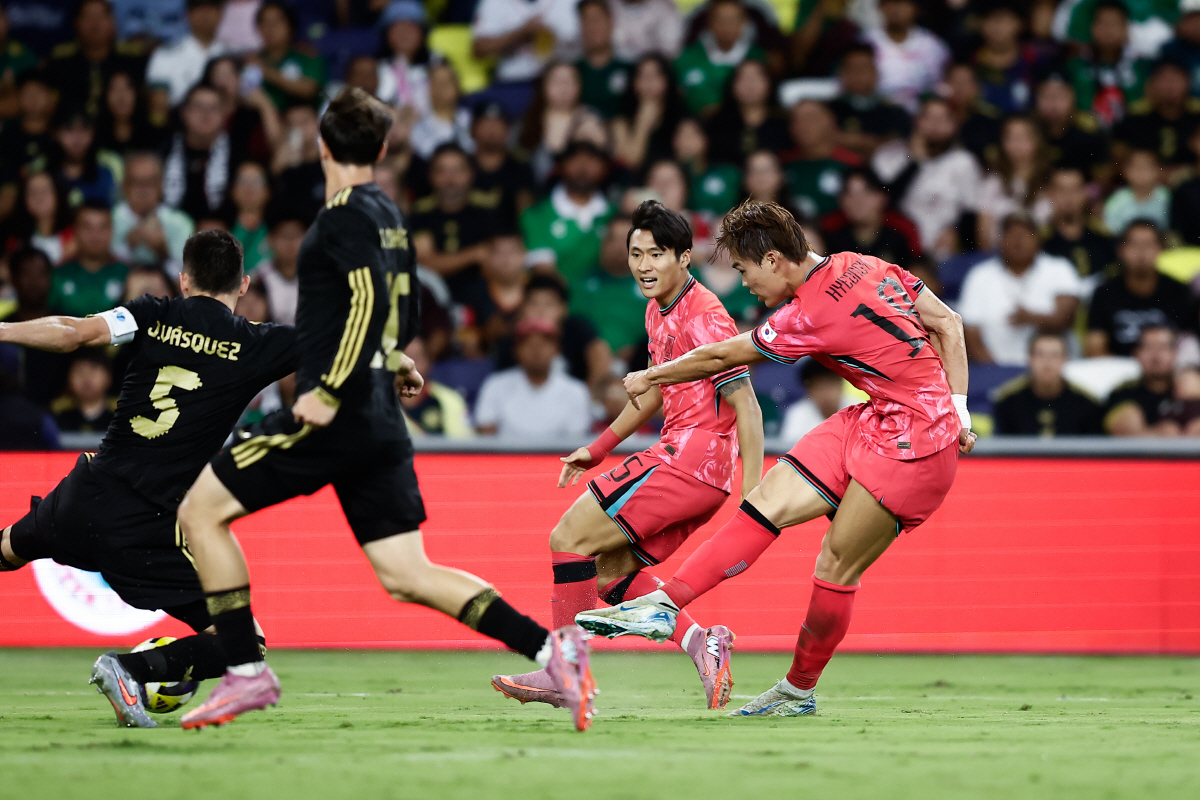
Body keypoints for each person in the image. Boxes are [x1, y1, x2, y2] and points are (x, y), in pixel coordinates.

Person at [174, 89, 596, 732]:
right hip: (377, 416)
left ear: (322, 147)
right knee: (406, 573)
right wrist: (393, 358)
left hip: (336, 411)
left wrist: (326, 391)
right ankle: (554, 653)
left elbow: (369, 300)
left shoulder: (340, 216)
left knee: (200, 512)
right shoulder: (389, 214)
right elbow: (406, 305)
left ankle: (245, 671)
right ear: (383, 147)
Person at [574, 199, 975, 718]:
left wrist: (653, 375)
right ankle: (664, 605)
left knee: (835, 565)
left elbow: (723, 355)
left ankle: (798, 690)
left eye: (745, 270)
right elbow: (948, 323)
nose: (745, 284)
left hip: (917, 445)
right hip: (877, 417)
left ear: (772, 259)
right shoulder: (863, 263)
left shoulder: (808, 312)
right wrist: (960, 410)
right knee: (765, 501)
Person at [0, 229, 298, 728]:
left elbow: (72, 333)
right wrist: (401, 367)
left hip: (84, 495)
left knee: (6, 549)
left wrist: (3, 329)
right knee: (244, 641)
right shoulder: (258, 343)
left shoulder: (152, 314)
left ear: (184, 280)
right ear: (244, 285)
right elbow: (347, 352)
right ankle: (130, 670)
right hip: (145, 525)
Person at [493, 199, 763, 711]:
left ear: (684, 256)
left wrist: (754, 490)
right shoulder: (659, 308)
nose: (643, 265)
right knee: (608, 574)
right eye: (636, 254)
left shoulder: (705, 316)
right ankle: (702, 642)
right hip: (698, 472)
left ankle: (564, 671)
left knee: (567, 538)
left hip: (687, 462)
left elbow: (746, 403)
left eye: (655, 254)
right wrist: (597, 450)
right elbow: (658, 391)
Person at [958, 214, 1081, 367]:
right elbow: (970, 333)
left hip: (1052, 370)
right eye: (1012, 234)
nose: (1018, 241)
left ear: (1038, 239)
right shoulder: (980, 275)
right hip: (996, 369)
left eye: (1025, 235)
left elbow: (1065, 319)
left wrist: (1031, 318)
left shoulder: (1059, 268)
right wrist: (994, 371)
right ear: (1001, 241)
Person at [871, 97, 982, 259]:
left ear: (954, 125)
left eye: (943, 119)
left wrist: (957, 232)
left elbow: (970, 212)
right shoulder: (891, 155)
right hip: (898, 248)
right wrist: (915, 163)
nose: (935, 125)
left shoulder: (964, 162)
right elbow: (884, 203)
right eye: (928, 118)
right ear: (916, 120)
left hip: (944, 251)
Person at [1086, 221, 1197, 357]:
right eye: (1134, 245)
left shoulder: (1179, 291)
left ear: (1161, 249)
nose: (1141, 252)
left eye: (1148, 245)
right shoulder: (1104, 293)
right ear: (1120, 250)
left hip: (1169, 366)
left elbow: (1189, 341)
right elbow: (1095, 345)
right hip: (1120, 366)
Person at [475, 317, 593, 438]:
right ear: (516, 350)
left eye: (543, 345)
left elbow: (576, 440)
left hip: (559, 452)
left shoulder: (576, 391)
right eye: (529, 345)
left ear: (556, 349)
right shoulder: (495, 385)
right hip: (506, 451)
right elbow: (485, 433)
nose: (536, 351)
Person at [410, 143, 497, 306]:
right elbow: (426, 263)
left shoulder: (487, 213)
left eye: (457, 170)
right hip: (430, 302)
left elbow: (496, 262)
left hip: (481, 301)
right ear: (430, 176)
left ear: (471, 173)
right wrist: (474, 254)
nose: (450, 179)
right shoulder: (419, 214)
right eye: (442, 171)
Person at [520, 140, 613, 288]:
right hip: (558, 297)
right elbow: (543, 270)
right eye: (575, 160)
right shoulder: (537, 214)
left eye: (591, 161)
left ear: (604, 168)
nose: (583, 168)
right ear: (560, 166)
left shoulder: (614, 215)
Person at [0, 247, 73, 406]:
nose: (34, 281)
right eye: (27, 273)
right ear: (13, 279)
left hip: (62, 413)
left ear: (50, 278)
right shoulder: (3, 331)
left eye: (41, 273)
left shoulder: (69, 327)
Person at [993, 333, 1103, 436]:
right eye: (1040, 355)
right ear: (1030, 358)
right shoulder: (1008, 401)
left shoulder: (1085, 403)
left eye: (1054, 355)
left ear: (1065, 359)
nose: (1047, 363)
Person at [674, 0, 767, 116]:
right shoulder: (687, 58)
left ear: (744, 23)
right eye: (721, 20)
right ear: (709, 23)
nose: (726, 26)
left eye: (732, 20)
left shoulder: (757, 57)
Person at [1065, 0, 1149, 128]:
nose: (1108, 30)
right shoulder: (1076, 67)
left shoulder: (1142, 66)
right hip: (1087, 134)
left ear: (1126, 28)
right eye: (1102, 23)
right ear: (1092, 27)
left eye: (1114, 24)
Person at [111, 152, 195, 276]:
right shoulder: (109, 219)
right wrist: (128, 245)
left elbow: (186, 276)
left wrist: (163, 250)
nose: (143, 189)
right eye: (136, 182)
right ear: (124, 186)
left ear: (161, 185)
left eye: (149, 182)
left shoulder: (181, 223)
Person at [976, 115, 1053, 247]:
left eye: (1023, 137)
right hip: (1000, 253)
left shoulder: (1050, 181)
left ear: (1037, 141)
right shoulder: (993, 182)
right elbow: (983, 235)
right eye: (1010, 138)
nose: (1017, 144)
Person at [1112, 57, 1200, 171]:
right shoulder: (1135, 117)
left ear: (1188, 82)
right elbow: (1118, 160)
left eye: (1175, 79)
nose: (1170, 86)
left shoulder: (1197, 114)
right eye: (1164, 79)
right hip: (1144, 177)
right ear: (1151, 83)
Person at [864, 0, 949, 115]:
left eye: (902, 2)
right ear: (880, 7)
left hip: (920, 115)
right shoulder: (866, 42)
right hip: (875, 112)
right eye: (890, 2)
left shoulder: (932, 46)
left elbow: (940, 86)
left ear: (916, 8)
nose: (896, 8)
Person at [828, 42, 911, 160]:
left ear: (876, 73)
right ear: (841, 73)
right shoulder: (828, 112)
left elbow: (905, 151)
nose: (858, 74)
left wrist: (864, 143)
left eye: (864, 68)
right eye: (852, 68)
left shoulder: (896, 113)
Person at [822, 169, 916, 271]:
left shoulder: (900, 237)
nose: (858, 201)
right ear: (841, 201)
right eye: (850, 194)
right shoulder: (831, 240)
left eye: (866, 193)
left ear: (882, 197)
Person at [50, 202, 129, 319]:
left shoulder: (127, 275)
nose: (95, 235)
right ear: (75, 230)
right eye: (87, 227)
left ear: (112, 231)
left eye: (102, 228)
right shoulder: (58, 275)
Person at [1041, 166, 1119, 282]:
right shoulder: (1040, 239)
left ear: (1085, 193)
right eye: (1061, 190)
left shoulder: (1104, 236)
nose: (1068, 197)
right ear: (1050, 194)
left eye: (1074, 190)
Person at [611, 54, 685, 174]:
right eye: (642, 76)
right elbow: (630, 163)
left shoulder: (681, 118)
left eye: (656, 75)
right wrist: (642, 123)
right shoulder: (621, 122)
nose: (649, 82)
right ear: (634, 83)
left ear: (667, 81)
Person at [144, 0, 226, 109]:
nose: (205, 14)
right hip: (176, 118)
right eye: (199, 8)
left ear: (221, 13)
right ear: (187, 14)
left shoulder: (229, 55)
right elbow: (158, 105)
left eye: (211, 8)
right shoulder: (165, 55)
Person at [248, 1, 326, 111]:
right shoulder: (252, 59)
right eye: (264, 22)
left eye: (276, 22)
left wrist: (266, 72)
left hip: (303, 117)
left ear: (290, 26)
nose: (270, 28)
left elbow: (309, 89)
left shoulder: (307, 56)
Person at [469, 101, 536, 230]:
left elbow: (526, 213)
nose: (491, 130)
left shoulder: (520, 167)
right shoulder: (462, 166)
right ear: (472, 130)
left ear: (507, 129)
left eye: (497, 124)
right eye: (485, 124)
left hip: (509, 238)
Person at [1104, 325, 1180, 436]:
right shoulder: (1123, 393)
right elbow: (1126, 431)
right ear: (1136, 354)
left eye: (1163, 347)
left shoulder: (1186, 391)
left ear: (1175, 353)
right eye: (1148, 347)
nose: (1156, 356)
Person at [399, 337, 473, 438]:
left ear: (428, 362)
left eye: (416, 359)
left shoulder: (451, 400)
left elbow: (463, 442)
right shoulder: (380, 402)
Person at [574, 0, 630, 120]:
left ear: (611, 22)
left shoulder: (630, 68)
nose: (592, 27)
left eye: (597, 19)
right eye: (586, 20)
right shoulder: (572, 71)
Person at [779, 358, 853, 443]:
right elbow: (789, 449)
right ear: (809, 390)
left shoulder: (859, 410)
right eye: (820, 386)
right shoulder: (798, 414)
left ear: (841, 385)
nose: (827, 393)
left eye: (831, 384)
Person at [253, 211, 305, 327]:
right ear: (271, 240)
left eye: (296, 235)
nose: (290, 243)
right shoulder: (259, 278)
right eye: (284, 236)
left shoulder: (317, 276)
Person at [50, 347, 117, 434]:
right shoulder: (59, 412)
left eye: (93, 370)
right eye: (80, 371)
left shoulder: (121, 413)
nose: (86, 378)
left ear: (108, 376)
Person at [1103, 149, 1169, 233]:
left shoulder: (1167, 198)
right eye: (1136, 167)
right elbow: (1111, 231)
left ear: (1158, 170)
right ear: (1125, 171)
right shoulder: (1116, 201)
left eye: (1146, 167)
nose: (1141, 172)